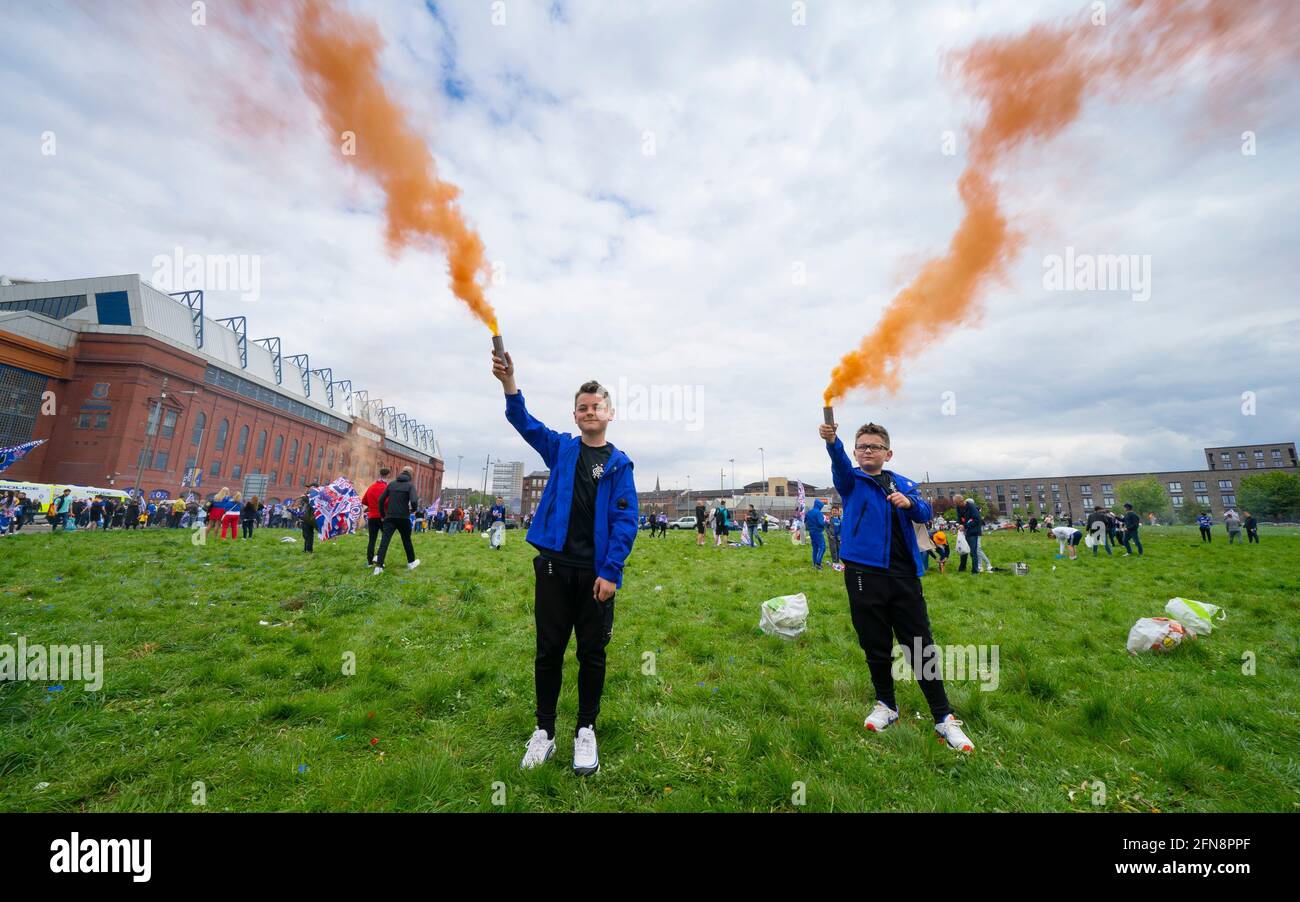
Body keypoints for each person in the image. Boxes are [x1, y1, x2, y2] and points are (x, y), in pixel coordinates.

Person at [494, 349, 638, 777]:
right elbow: (524, 422)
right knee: (549, 652)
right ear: (575, 415)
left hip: (596, 577)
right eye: (582, 407)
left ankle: (585, 730)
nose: (589, 411)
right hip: (554, 569)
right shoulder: (560, 449)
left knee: (592, 654)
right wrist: (509, 382)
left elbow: (626, 522)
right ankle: (544, 732)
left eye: (597, 406)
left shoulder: (619, 464)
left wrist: (610, 572)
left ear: (609, 413)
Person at [819, 417, 973, 752]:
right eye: (862, 446)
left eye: (874, 446)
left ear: (888, 454)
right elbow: (839, 462)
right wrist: (833, 442)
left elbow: (924, 513)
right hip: (862, 574)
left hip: (904, 576)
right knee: (874, 644)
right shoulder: (850, 481)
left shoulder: (903, 484)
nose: (867, 451)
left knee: (919, 645)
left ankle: (943, 717)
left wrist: (909, 502)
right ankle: (886, 705)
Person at [374, 467, 422, 574]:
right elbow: (414, 500)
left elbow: (381, 500)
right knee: (406, 540)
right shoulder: (410, 486)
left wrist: (382, 514)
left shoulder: (391, 484)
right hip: (403, 517)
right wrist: (413, 510)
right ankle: (411, 562)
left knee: (384, 541)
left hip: (390, 517)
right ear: (411, 475)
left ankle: (378, 567)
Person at [360, 467, 391, 565]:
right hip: (383, 516)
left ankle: (369, 562)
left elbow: (364, 500)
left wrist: (372, 505)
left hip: (372, 516)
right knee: (385, 538)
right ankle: (378, 557)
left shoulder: (371, 487)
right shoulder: (386, 488)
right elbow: (387, 502)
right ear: (388, 475)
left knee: (372, 540)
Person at [954, 494, 983, 574]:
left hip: (973, 532)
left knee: (973, 552)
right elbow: (959, 518)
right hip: (964, 532)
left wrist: (965, 526)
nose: (956, 505)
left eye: (956, 503)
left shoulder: (971, 507)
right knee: (963, 550)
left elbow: (977, 520)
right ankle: (962, 568)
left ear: (961, 501)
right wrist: (958, 524)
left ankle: (975, 570)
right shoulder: (958, 507)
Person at [806, 498, 827, 570]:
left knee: (815, 548)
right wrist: (826, 522)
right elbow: (821, 523)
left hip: (811, 532)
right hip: (818, 532)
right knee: (822, 547)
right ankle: (818, 563)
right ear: (819, 506)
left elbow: (805, 520)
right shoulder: (818, 513)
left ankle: (814, 563)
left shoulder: (809, 512)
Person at [298, 483, 317, 553]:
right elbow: (302, 506)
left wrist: (303, 496)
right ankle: (306, 549)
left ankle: (309, 549)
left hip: (309, 518)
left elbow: (309, 501)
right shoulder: (308, 495)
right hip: (305, 517)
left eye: (309, 487)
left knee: (308, 534)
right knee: (305, 534)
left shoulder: (314, 495)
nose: (308, 489)